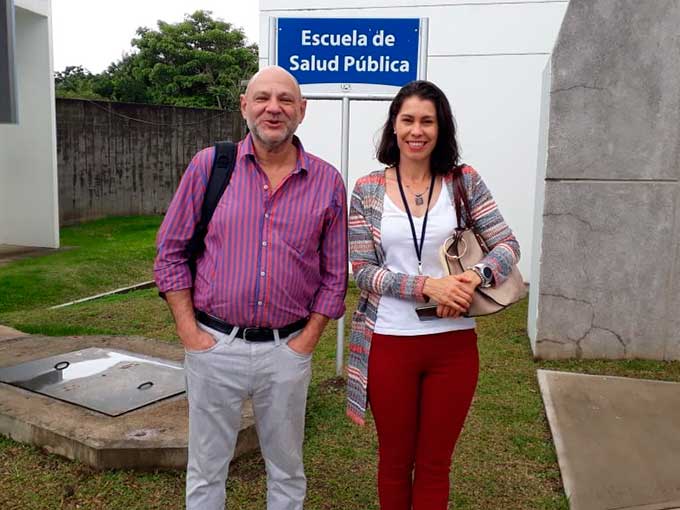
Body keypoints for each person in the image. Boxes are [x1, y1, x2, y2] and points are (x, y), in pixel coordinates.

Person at [154, 66, 348, 510]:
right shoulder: (209, 166)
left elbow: (335, 275)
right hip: (214, 345)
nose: (273, 108)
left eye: (285, 99)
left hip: (287, 350)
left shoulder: (327, 181)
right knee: (206, 468)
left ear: (302, 110)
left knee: (286, 468)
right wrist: (190, 334)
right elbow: (171, 253)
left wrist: (307, 342)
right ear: (245, 106)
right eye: (262, 98)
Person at [346, 80, 520, 510]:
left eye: (428, 121)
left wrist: (471, 279)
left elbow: (507, 245)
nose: (416, 130)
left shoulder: (463, 181)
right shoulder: (367, 188)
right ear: (394, 126)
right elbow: (363, 272)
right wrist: (428, 285)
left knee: (435, 464)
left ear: (441, 129)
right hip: (389, 342)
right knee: (393, 461)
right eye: (407, 120)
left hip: (453, 346)